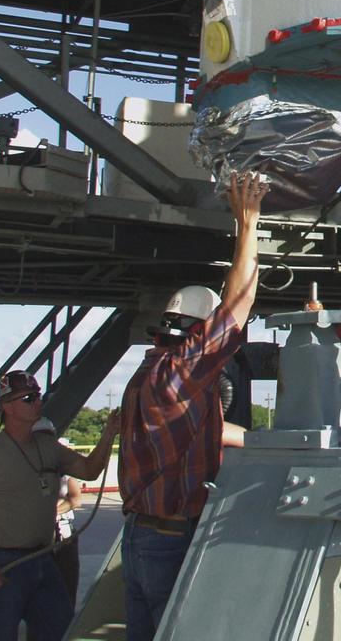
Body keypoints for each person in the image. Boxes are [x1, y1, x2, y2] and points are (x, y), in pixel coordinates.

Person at [117, 171, 268, 641]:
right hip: (169, 538)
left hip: (140, 537)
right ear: (196, 332)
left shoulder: (142, 377)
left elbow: (202, 432)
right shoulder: (181, 372)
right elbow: (239, 304)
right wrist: (248, 224)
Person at [0, 371, 118, 641]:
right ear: (8, 408)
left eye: (37, 396)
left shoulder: (49, 448)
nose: (37, 402)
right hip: (3, 564)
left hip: (42, 558)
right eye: (28, 398)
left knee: (57, 625)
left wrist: (109, 434)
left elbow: (89, 470)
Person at [30, 417, 82, 610]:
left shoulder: (63, 465)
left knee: (67, 587)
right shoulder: (24, 465)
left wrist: (53, 511)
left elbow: (76, 499)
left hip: (63, 536)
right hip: (36, 538)